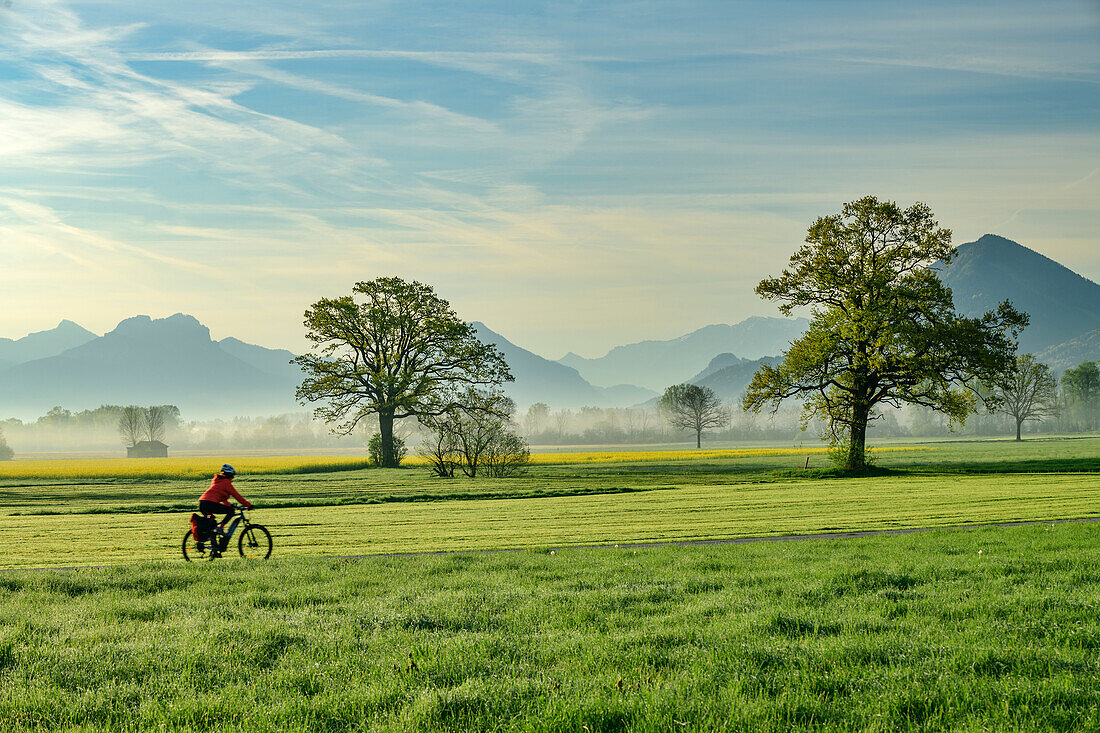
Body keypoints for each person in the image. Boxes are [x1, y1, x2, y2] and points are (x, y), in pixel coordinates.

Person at [196, 464, 253, 550]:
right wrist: (248, 505)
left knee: (212, 525)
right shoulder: (226, 483)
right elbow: (237, 496)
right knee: (231, 512)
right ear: (230, 475)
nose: (232, 478)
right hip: (209, 503)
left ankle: (214, 549)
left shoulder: (219, 482)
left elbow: (224, 500)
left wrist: (231, 505)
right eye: (232, 476)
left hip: (202, 503)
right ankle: (221, 527)